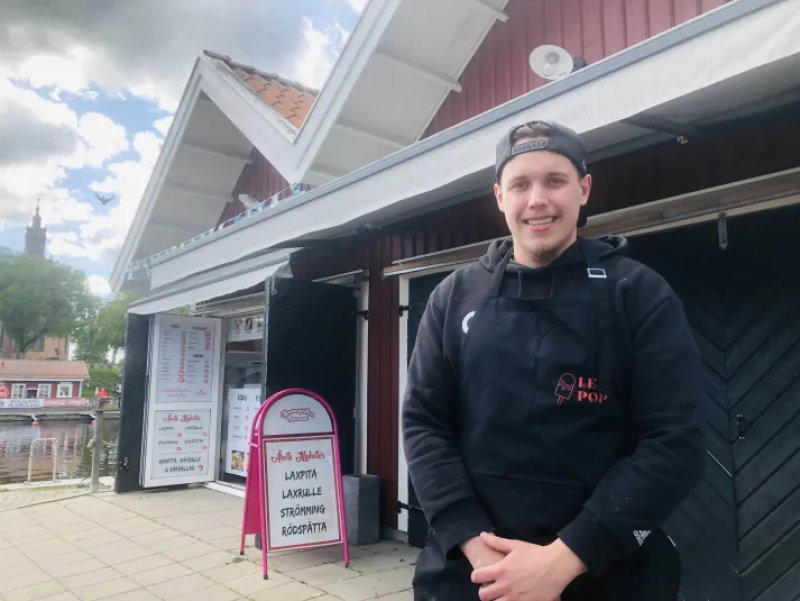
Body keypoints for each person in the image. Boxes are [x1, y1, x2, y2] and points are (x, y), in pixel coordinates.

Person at [402, 120, 706, 601]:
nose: (537, 199)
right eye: (521, 184)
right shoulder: (454, 297)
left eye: (555, 181)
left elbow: (675, 440)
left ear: (584, 189)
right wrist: (483, 557)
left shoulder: (639, 293)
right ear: (499, 196)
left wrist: (563, 561)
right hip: (469, 576)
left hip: (608, 575)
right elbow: (423, 424)